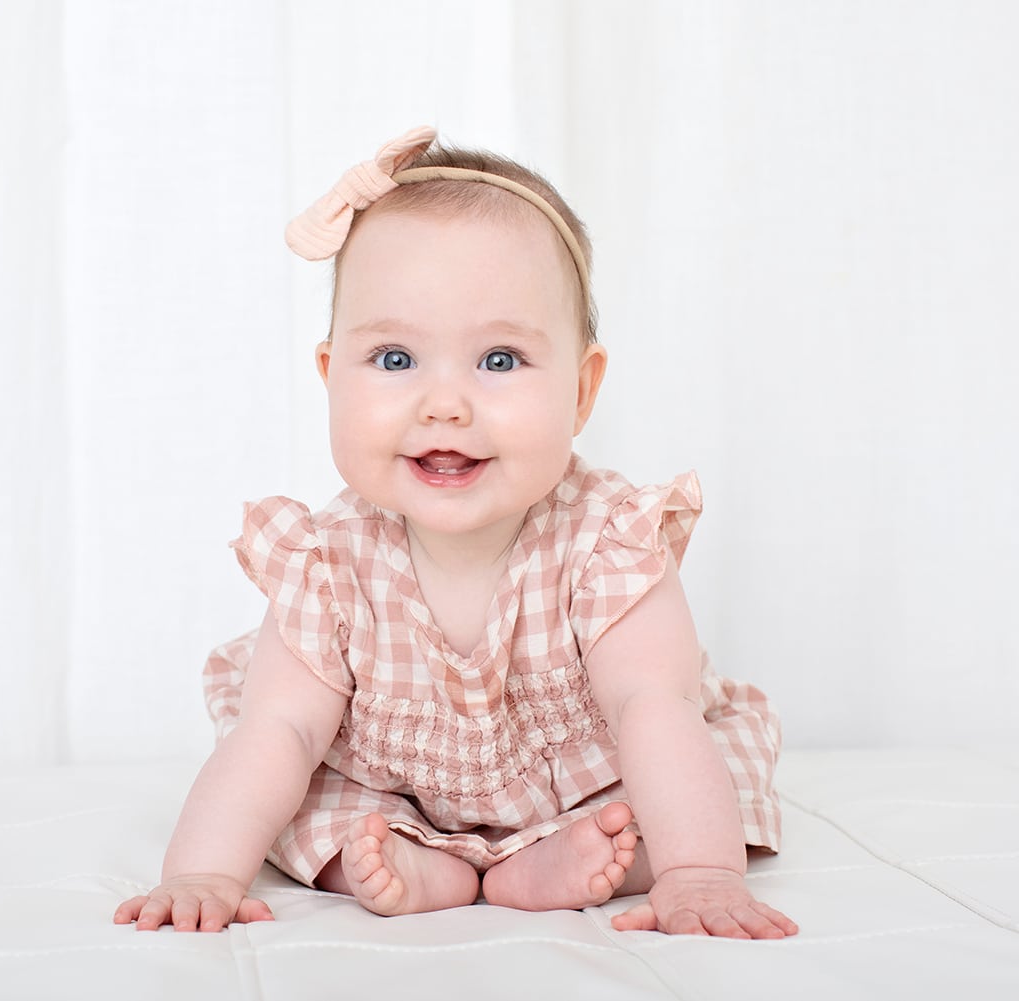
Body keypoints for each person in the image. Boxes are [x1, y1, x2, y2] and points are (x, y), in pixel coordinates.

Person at [113, 127, 798, 939]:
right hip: (391, 796)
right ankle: (419, 868)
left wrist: (699, 873)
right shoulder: (328, 564)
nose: (445, 403)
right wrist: (201, 874)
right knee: (305, 809)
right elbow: (280, 730)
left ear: (581, 392)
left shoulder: (608, 541)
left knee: (689, 792)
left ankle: (543, 869)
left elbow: (655, 706)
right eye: (396, 358)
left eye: (500, 360)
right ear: (332, 377)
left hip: (585, 786)